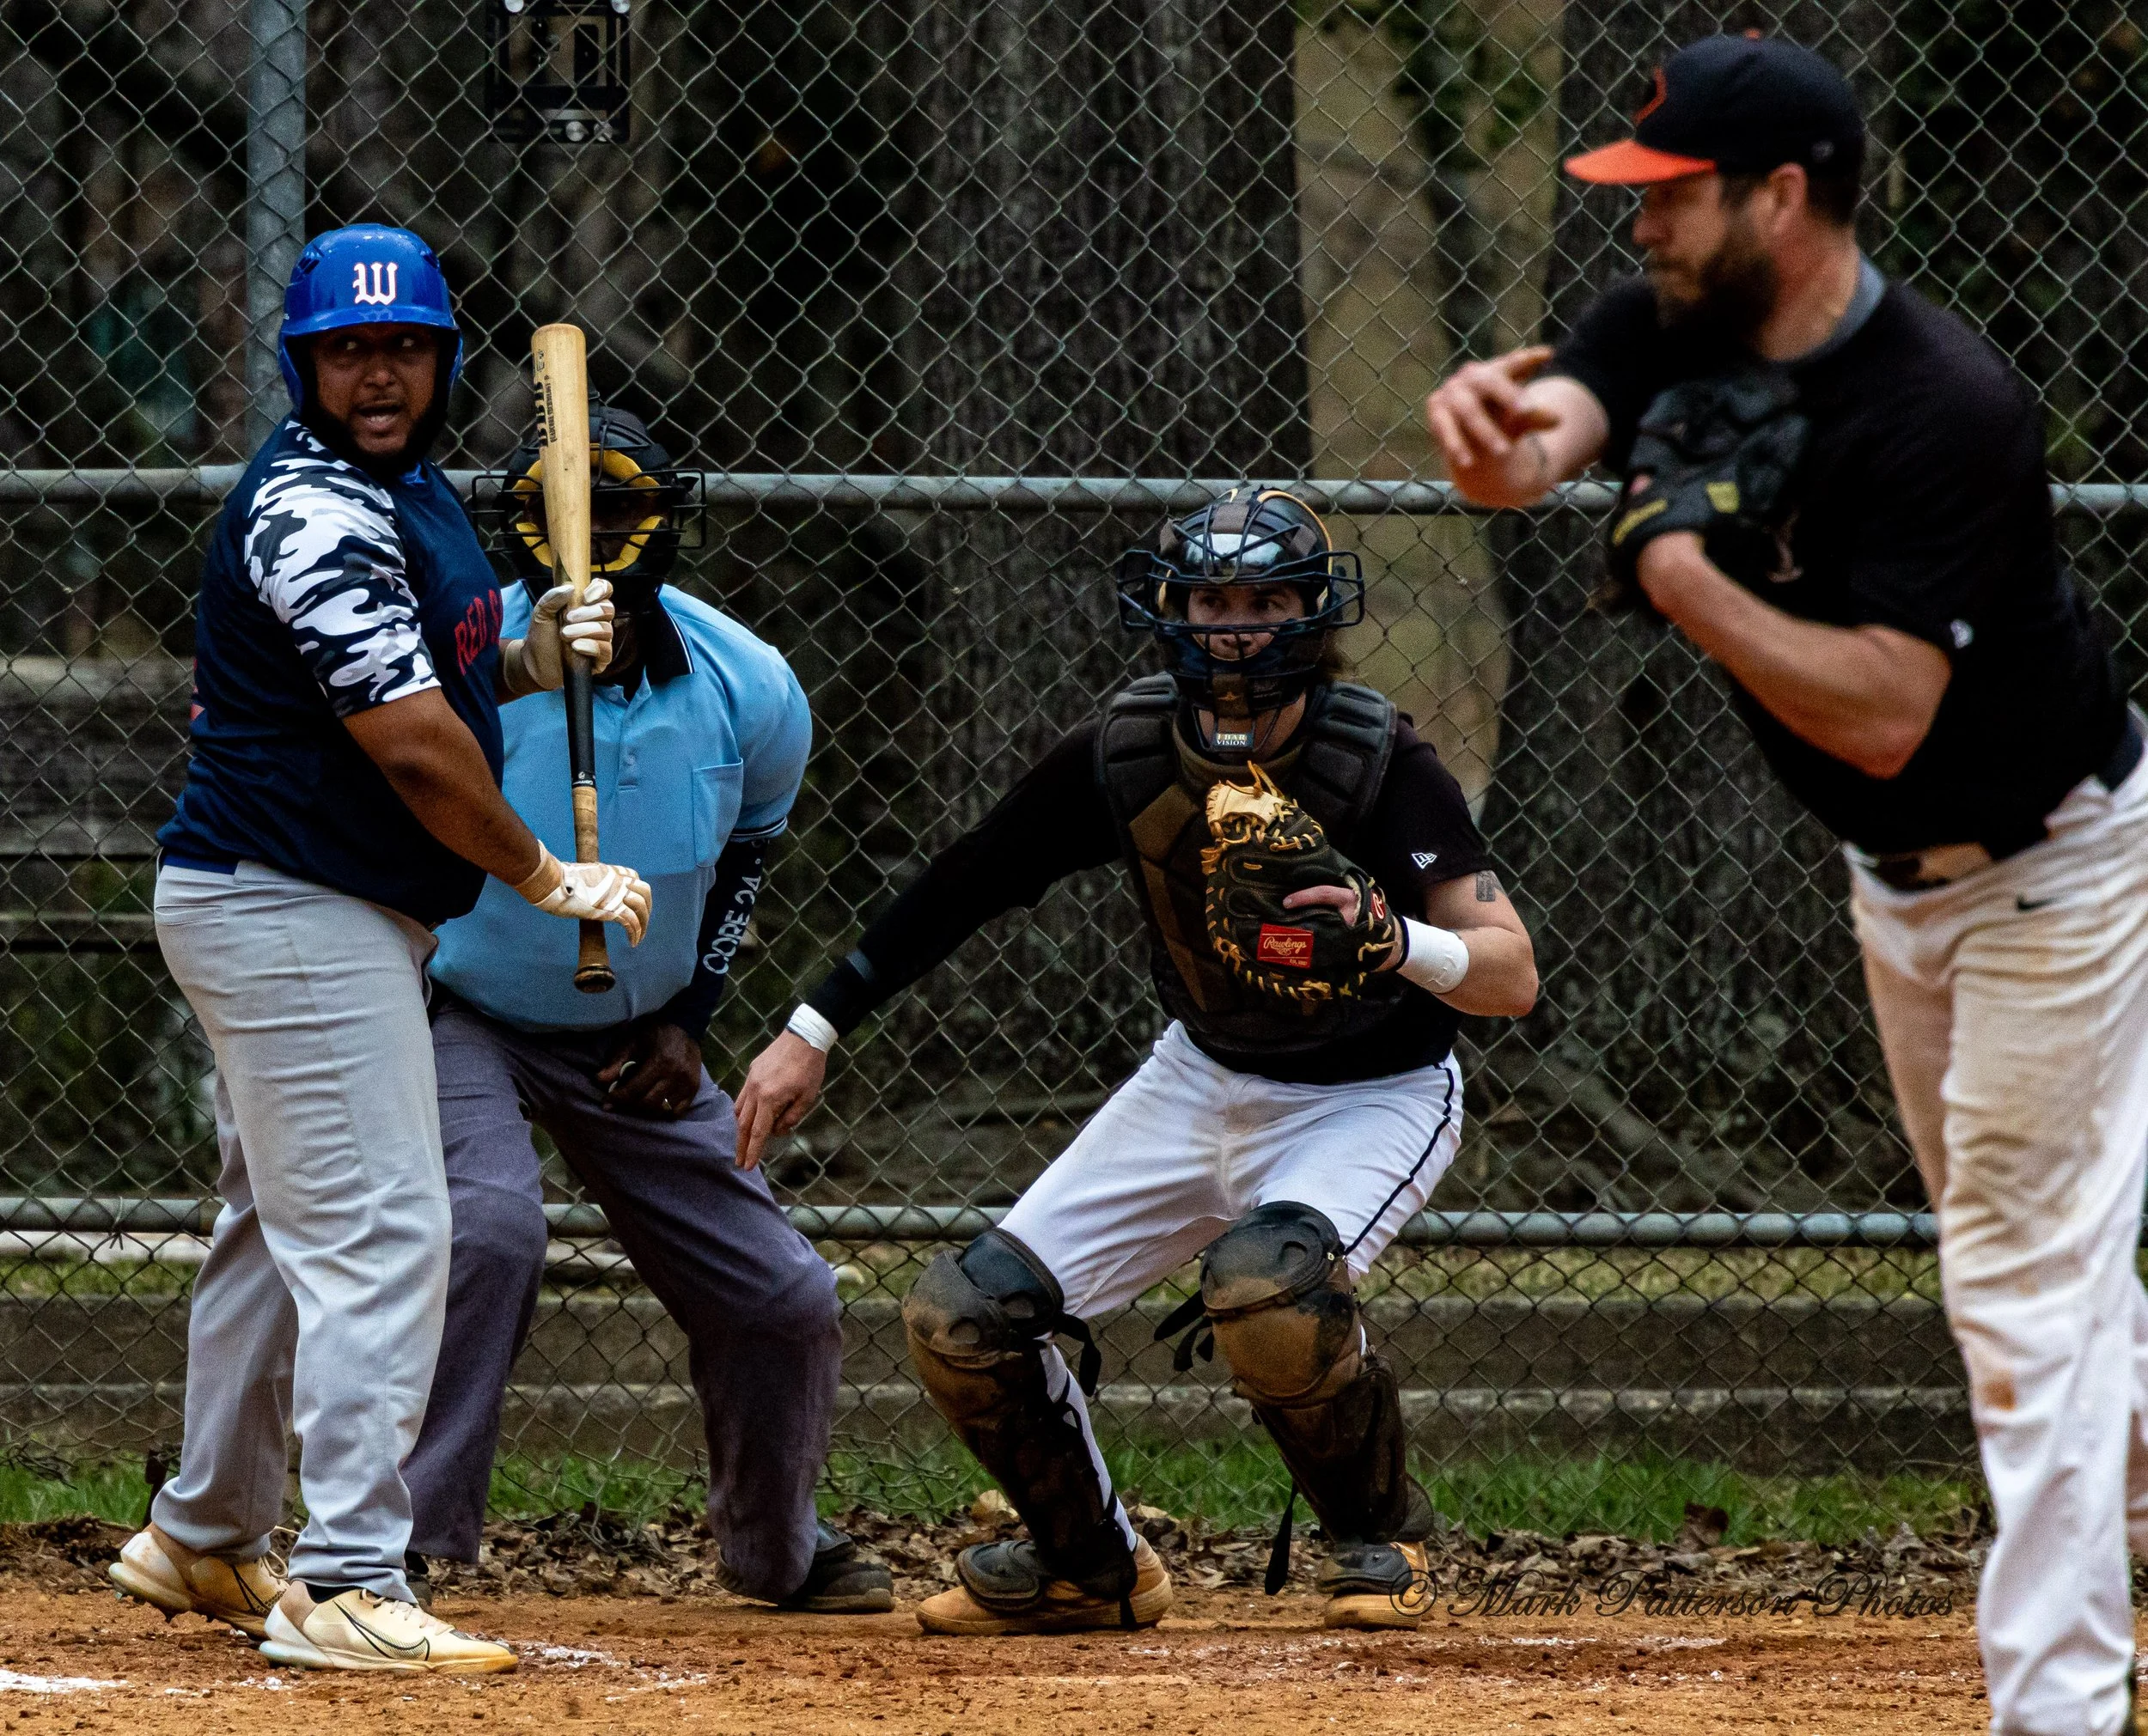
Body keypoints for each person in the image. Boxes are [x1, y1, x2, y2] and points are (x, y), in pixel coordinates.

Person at [1425, 34, 2148, 1736]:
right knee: (2038, 1272)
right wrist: (1492, 451)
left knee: (2014, 1282)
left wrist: (1674, 573)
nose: (1640, 229)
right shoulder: (1680, 316)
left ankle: (2052, 1701)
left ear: (1784, 197)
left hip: (2056, 868)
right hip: (1896, 895)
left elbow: (1889, 714)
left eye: (1671, 198)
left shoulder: (1941, 405)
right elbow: (1551, 434)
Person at [736, 486, 1539, 1635]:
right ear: (1170, 610)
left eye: (1266, 600)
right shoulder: (1125, 750)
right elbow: (965, 884)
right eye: (1214, 599)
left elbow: (1512, 977)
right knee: (962, 1319)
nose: (1237, 628)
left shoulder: (1377, 760)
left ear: (1314, 614)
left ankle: (1380, 1540)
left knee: (1266, 1288)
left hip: (1371, 1092)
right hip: (1198, 1074)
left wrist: (1391, 937)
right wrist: (810, 1030)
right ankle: (1088, 1565)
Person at [109, 224, 650, 1674]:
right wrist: (548, 876)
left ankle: (204, 1533)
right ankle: (349, 1576)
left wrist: (536, 651)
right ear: (303, 365)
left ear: (440, 359)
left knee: (273, 1232)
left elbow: (444, 670)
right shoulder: (315, 514)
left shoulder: (404, 495)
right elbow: (413, 743)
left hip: (298, 903)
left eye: (401, 348)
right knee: (388, 1232)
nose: (377, 376)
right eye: (347, 353)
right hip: (293, 906)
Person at [400, 403, 891, 1615]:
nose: (588, 537)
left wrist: (692, 1021)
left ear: (667, 520)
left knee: (786, 1297)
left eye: (615, 508)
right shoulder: (466, 658)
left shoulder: (750, 686)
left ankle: (777, 1551)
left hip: (640, 1035)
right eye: (560, 511)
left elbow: (745, 871)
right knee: (492, 1231)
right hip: (462, 1006)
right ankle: (401, 1544)